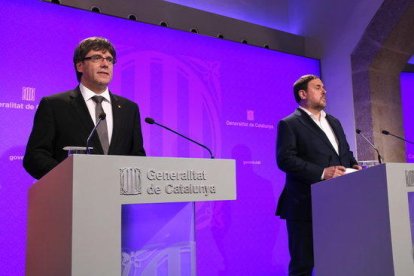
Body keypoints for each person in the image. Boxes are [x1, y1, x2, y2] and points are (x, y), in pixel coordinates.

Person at [23, 37, 146, 180]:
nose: (105, 64)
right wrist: (70, 179)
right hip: (70, 197)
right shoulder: (54, 105)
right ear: (80, 65)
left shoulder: (129, 109)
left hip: (118, 199)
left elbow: (137, 157)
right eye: (97, 58)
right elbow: (35, 156)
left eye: (109, 59)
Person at [276, 74, 361, 276]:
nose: (324, 91)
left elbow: (345, 153)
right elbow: (285, 160)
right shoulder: (289, 123)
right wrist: (323, 173)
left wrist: (354, 166)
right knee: (303, 264)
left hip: (337, 203)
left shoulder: (334, 122)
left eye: (324, 87)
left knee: (338, 258)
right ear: (303, 93)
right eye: (317, 87)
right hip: (305, 205)